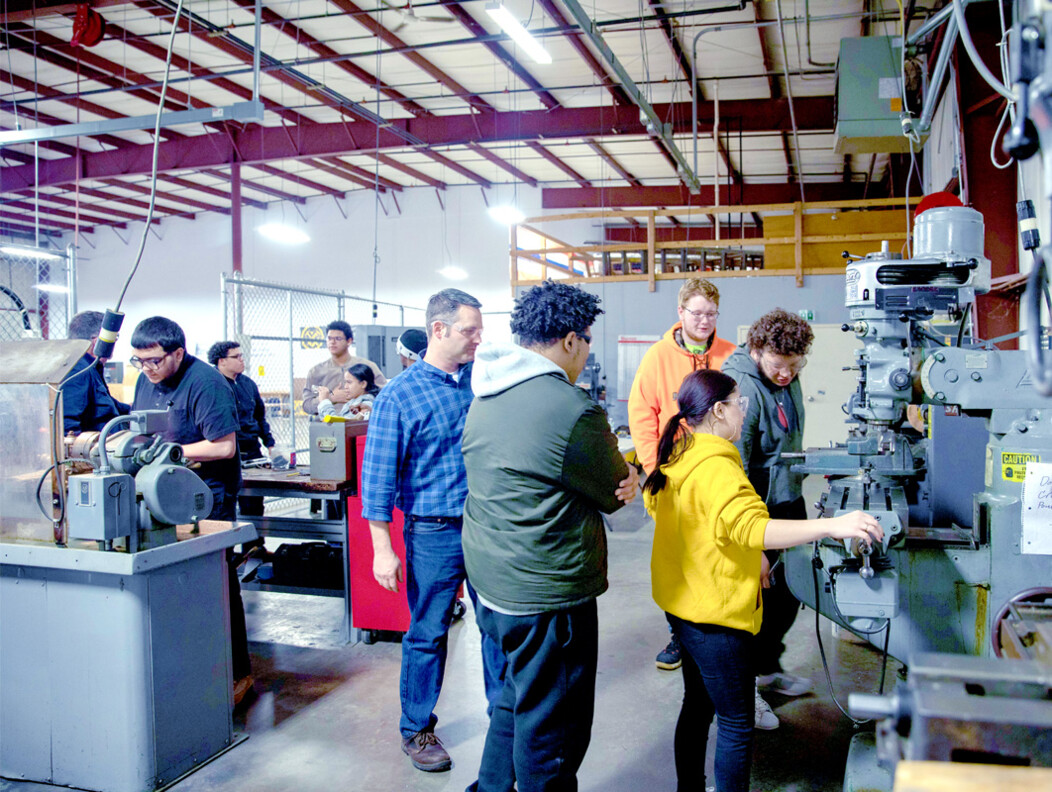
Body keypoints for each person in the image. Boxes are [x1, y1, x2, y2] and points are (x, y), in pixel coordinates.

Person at [644, 369, 882, 792]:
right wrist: (832, 526)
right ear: (718, 411)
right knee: (736, 723)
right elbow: (758, 528)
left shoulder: (680, 454)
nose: (743, 412)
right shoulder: (718, 469)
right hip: (715, 617)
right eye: (740, 404)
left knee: (696, 707)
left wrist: (746, 552)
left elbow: (693, 522)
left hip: (683, 608)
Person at [461, 280, 638, 792]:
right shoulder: (571, 408)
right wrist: (629, 474)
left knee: (516, 699)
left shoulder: (487, 389)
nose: (586, 353)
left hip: (493, 581)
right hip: (547, 591)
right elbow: (614, 488)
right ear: (569, 340)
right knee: (554, 731)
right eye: (586, 341)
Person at [360, 288, 503, 773]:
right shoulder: (399, 396)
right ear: (438, 330)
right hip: (433, 533)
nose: (478, 340)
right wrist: (383, 549)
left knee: (497, 626)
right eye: (470, 331)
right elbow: (376, 480)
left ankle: (503, 718)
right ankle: (417, 728)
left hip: (485, 529)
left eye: (480, 330)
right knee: (427, 631)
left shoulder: (478, 383)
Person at [130, 317, 254, 706]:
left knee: (214, 579)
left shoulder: (205, 383)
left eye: (153, 361)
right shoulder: (144, 380)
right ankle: (189, 668)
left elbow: (223, 447)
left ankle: (236, 674)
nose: (146, 369)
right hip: (159, 491)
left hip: (204, 495)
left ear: (178, 353)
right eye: (138, 361)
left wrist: (171, 453)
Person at [627, 277, 735, 672]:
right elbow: (642, 416)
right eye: (696, 313)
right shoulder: (657, 357)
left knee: (718, 552)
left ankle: (716, 626)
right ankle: (679, 634)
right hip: (672, 477)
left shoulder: (729, 354)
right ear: (680, 313)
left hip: (718, 474)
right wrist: (654, 470)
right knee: (679, 559)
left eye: (711, 313)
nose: (704, 320)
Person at [722, 308, 815, 729]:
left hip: (787, 496)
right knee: (752, 601)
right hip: (754, 506)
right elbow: (733, 470)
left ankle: (766, 669)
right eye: (779, 366)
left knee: (787, 594)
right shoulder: (741, 387)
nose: (787, 375)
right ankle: (743, 693)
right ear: (757, 351)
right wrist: (751, 543)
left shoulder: (787, 377)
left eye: (796, 366)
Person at [208, 340, 281, 519]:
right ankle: (229, 546)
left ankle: (255, 546)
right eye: (236, 356)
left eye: (242, 355)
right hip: (229, 451)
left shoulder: (248, 384)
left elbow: (259, 417)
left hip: (252, 450)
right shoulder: (212, 386)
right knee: (227, 504)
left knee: (254, 503)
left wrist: (270, 444)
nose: (242, 360)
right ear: (221, 361)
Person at [60, 310, 130, 434]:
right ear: (98, 342)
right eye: (113, 340)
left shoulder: (90, 367)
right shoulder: (79, 371)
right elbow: (67, 426)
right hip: (98, 450)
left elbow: (105, 404)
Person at [301, 320, 387, 416]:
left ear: (349, 341)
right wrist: (330, 398)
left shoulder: (367, 367)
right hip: (325, 426)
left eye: (338, 338)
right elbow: (306, 406)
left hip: (358, 425)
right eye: (329, 338)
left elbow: (384, 396)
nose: (332, 342)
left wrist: (364, 403)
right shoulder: (316, 371)